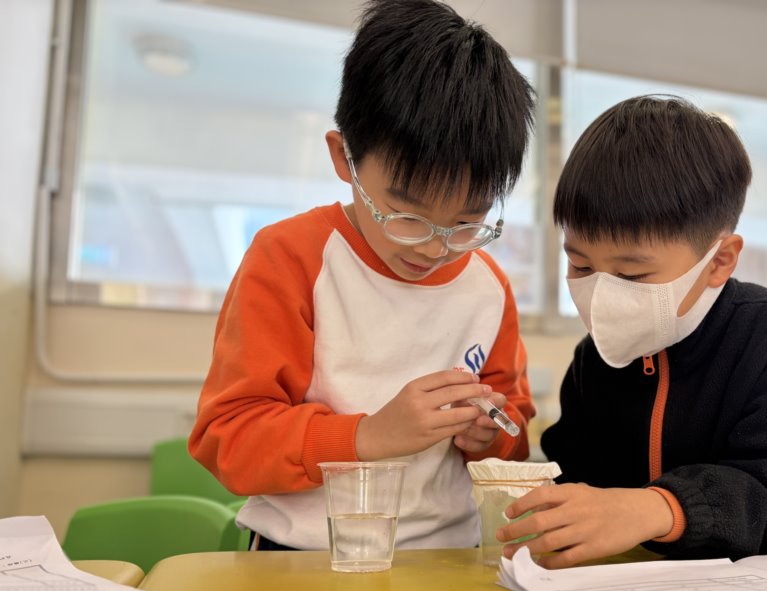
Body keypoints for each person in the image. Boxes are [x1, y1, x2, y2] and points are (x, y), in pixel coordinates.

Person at [189, 0, 536, 551]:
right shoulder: (291, 258)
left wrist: (489, 436)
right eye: (407, 215)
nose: (435, 248)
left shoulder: (487, 286)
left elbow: (513, 432)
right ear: (343, 158)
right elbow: (228, 439)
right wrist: (368, 436)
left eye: (467, 223)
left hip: (449, 557)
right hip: (305, 557)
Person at [497, 95, 767, 568]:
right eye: (581, 266)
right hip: (615, 590)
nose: (602, 295)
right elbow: (574, 477)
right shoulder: (593, 359)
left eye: (632, 275)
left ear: (719, 261)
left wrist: (656, 509)